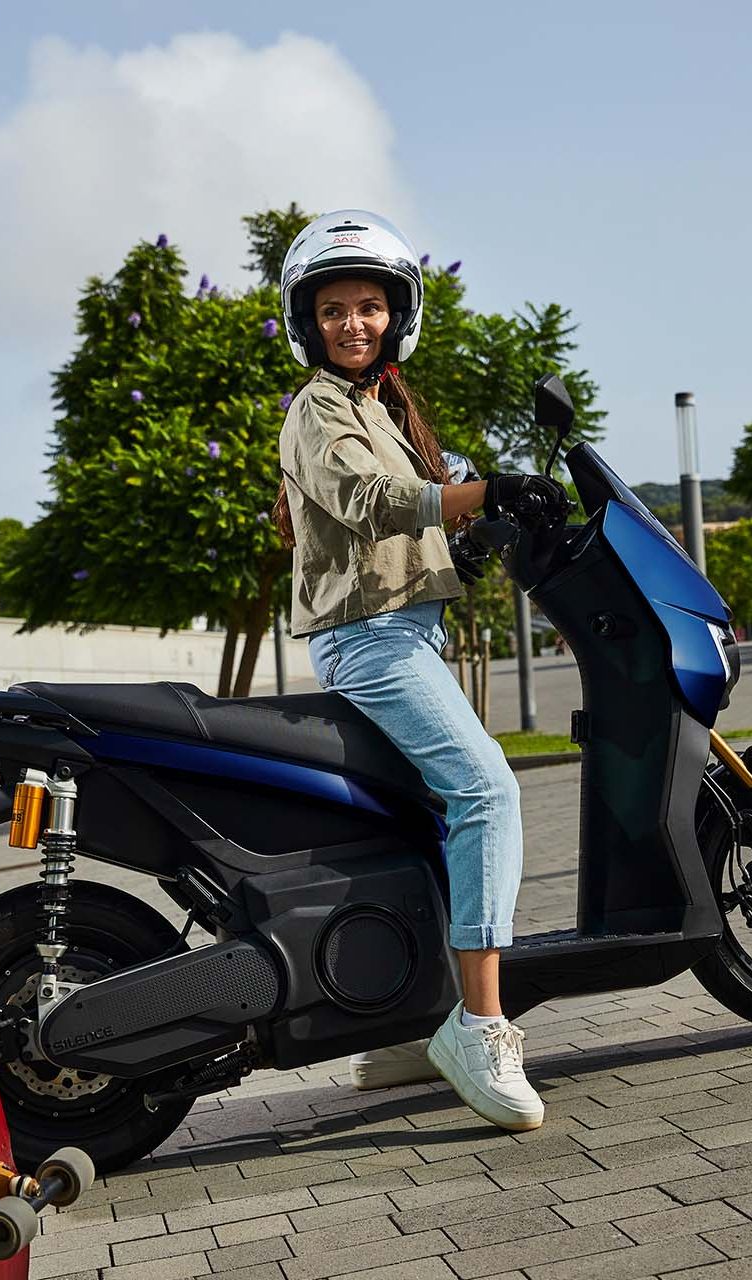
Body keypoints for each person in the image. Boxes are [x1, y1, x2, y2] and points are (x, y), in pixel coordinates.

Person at [274, 210, 567, 1132]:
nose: (351, 324)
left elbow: (416, 507)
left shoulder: (387, 409)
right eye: (332, 310)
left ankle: (411, 1021)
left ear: (397, 316)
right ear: (306, 322)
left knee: (426, 822)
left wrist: (470, 534)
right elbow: (367, 502)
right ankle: (481, 1026)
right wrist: (484, 492)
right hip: (372, 641)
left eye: (368, 307)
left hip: (404, 632)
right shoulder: (317, 407)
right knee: (489, 794)